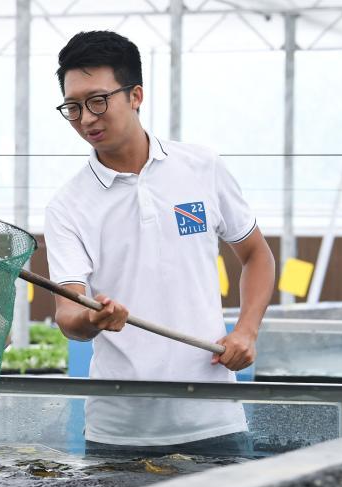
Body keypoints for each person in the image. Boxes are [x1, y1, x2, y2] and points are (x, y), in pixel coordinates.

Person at [44, 31, 275, 457]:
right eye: (72, 107)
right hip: (119, 434)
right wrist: (93, 318)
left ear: (136, 95)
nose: (86, 119)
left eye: (98, 101)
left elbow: (256, 255)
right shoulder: (67, 206)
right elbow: (68, 314)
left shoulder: (201, 167)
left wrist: (246, 330)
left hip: (213, 420)